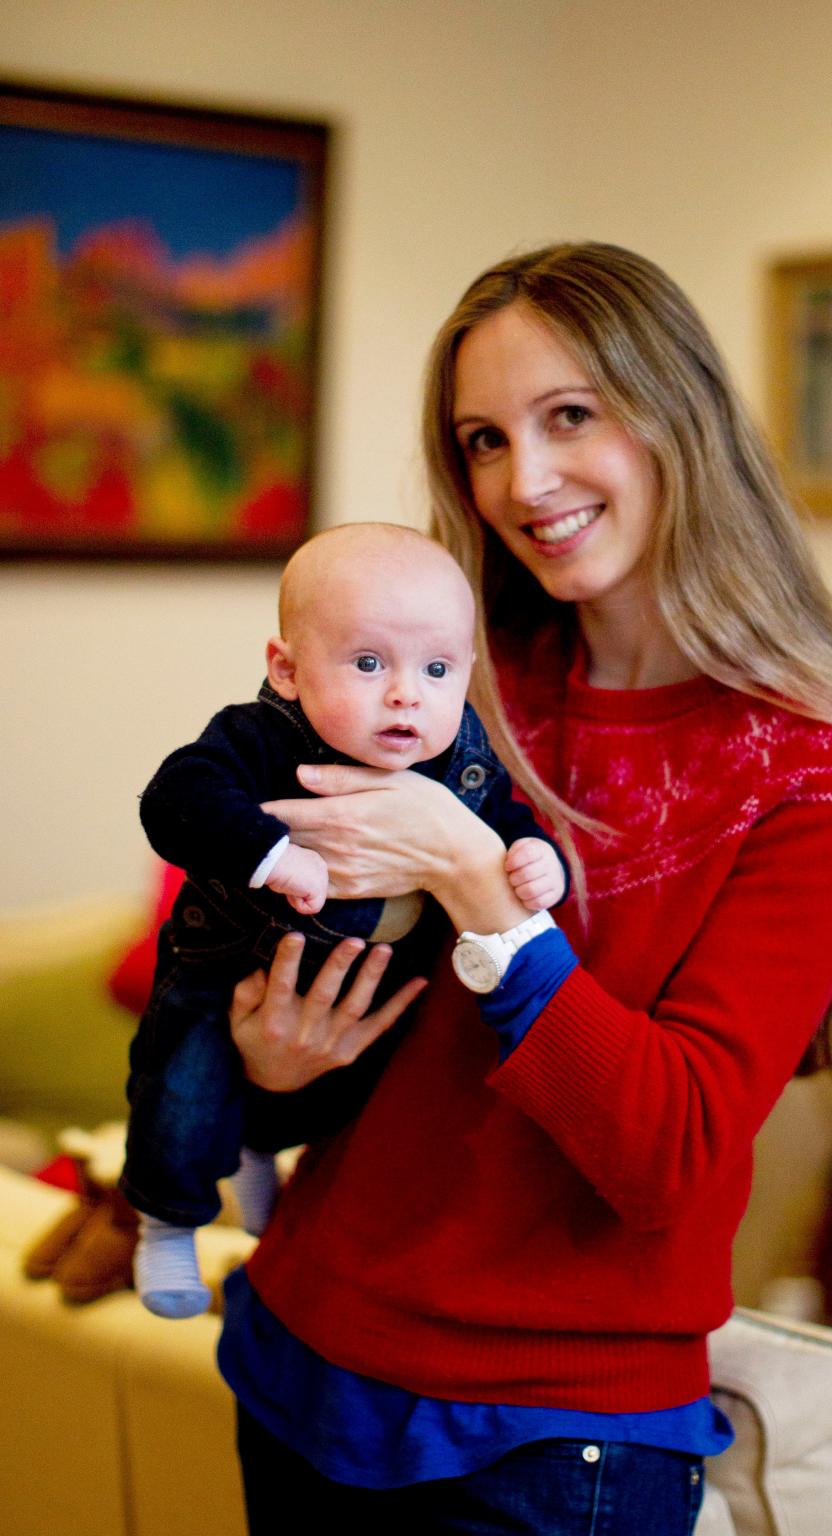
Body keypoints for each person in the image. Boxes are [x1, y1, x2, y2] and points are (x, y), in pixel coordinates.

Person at [218, 243, 832, 1535]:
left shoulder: (815, 771)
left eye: (569, 417)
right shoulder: (447, 682)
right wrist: (274, 1069)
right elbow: (344, 1050)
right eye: (483, 441)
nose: (523, 483)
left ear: (680, 416)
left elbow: (670, 1154)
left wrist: (471, 878)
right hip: (298, 1354)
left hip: (555, 1448)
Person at [122, 523, 568, 1319]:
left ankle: (262, 1154)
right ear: (287, 670)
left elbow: (505, 817)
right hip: (226, 962)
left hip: (366, 986)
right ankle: (166, 1224)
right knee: (183, 1092)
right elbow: (174, 801)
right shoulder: (257, 738)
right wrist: (269, 855)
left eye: (436, 669)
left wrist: (536, 857)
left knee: (345, 1091)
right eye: (369, 664)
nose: (406, 694)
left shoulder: (459, 752)